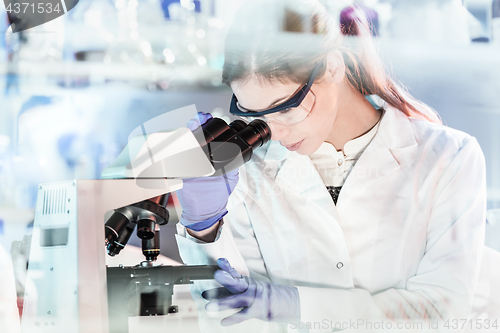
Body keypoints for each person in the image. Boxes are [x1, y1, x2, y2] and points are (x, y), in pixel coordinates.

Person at [175, 0, 487, 332]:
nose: (275, 133)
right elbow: (230, 317)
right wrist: (204, 230)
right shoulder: (246, 174)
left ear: (332, 68)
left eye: (285, 110)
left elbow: (439, 311)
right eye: (257, 117)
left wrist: (300, 306)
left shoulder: (449, 157)